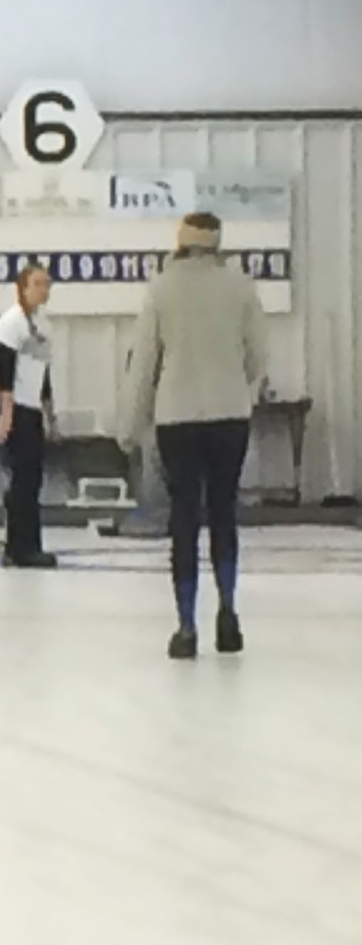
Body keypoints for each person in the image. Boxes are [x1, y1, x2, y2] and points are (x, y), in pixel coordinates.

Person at [126, 210, 271, 659]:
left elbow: (144, 364)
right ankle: (228, 614)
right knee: (224, 511)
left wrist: (130, 425)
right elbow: (258, 357)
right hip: (229, 414)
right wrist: (240, 389)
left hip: (178, 416)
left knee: (184, 517)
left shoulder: (161, 288)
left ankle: (186, 627)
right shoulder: (241, 286)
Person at [0, 263, 57, 569]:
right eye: (38, 284)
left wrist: (49, 414)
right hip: (12, 404)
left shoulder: (45, 325)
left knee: (32, 478)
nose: (44, 289)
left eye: (47, 283)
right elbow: (5, 366)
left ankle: (28, 542)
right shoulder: (10, 322)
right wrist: (5, 414)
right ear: (23, 288)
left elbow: (44, 373)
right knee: (21, 477)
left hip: (31, 406)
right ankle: (19, 547)